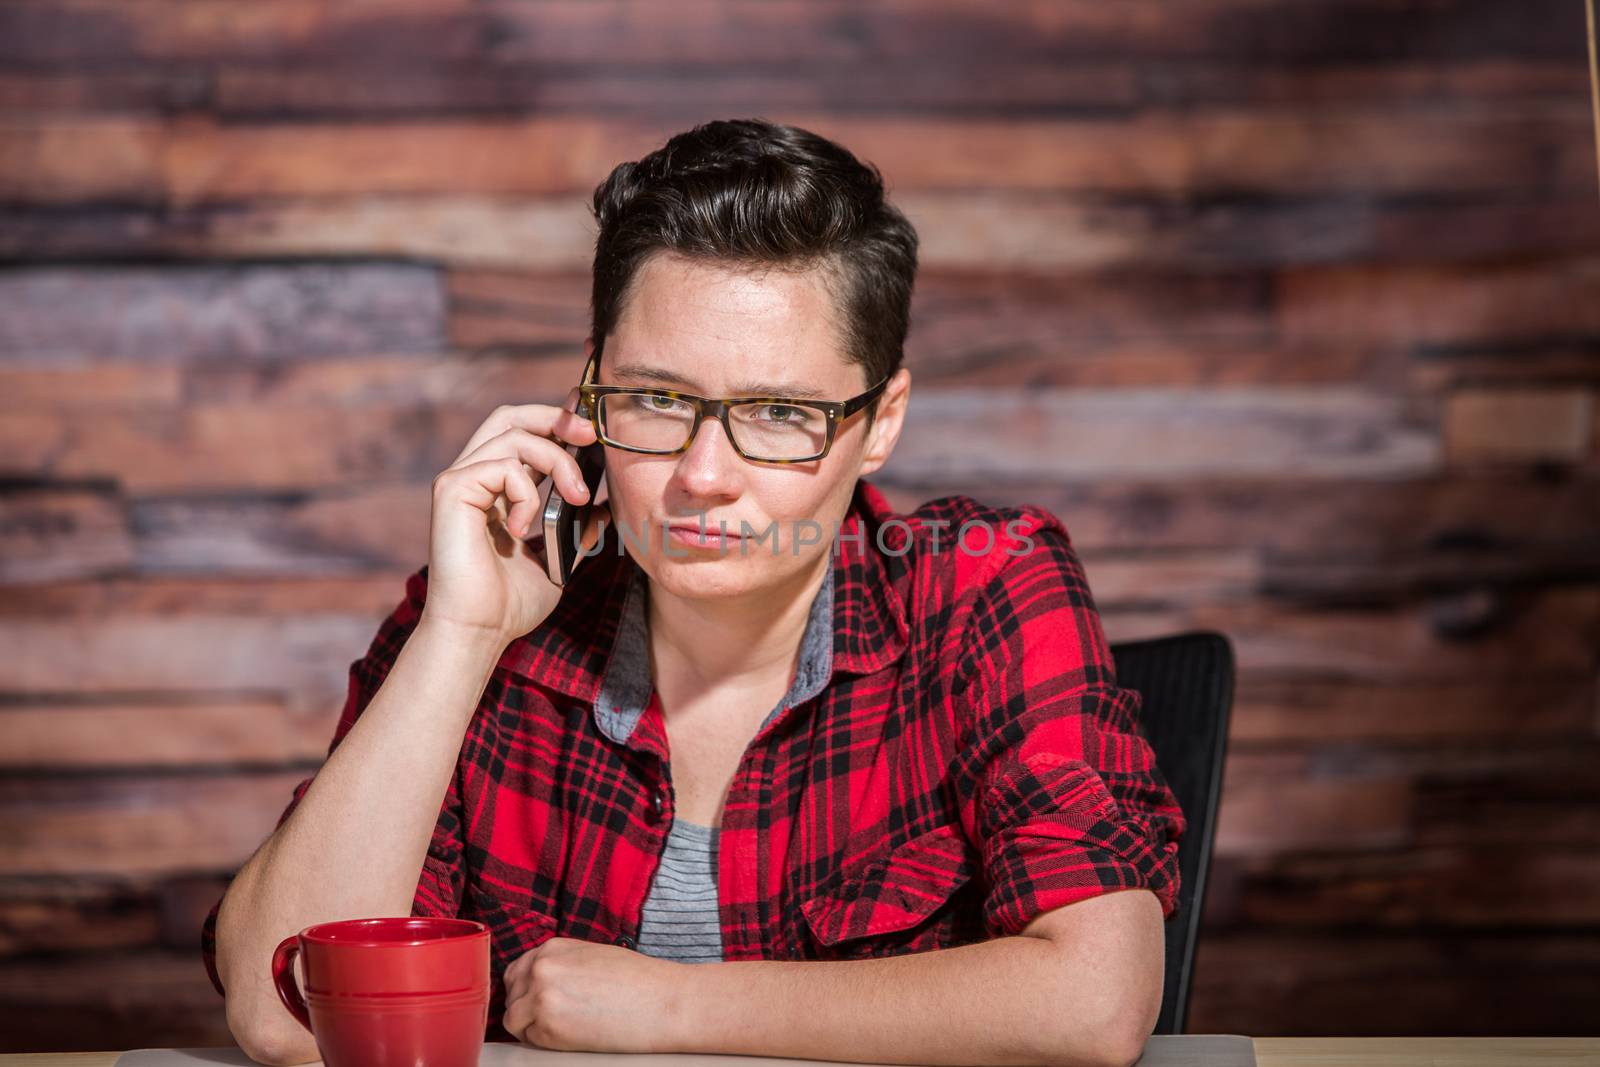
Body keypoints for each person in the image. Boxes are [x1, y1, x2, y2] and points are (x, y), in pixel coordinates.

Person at [200, 117, 1185, 1067]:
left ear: (880, 421)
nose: (703, 473)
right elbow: (284, 1014)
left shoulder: (984, 585)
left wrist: (671, 1005)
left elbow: (1094, 1000)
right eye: (659, 398)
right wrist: (460, 634)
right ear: (588, 395)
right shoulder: (489, 603)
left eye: (780, 411)